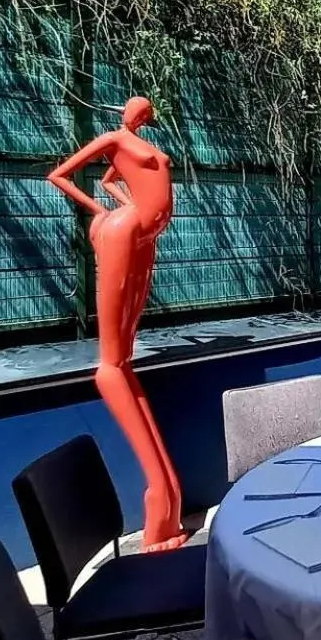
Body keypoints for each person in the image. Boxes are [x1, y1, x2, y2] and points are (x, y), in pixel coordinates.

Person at [48, 97, 186, 551]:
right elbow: (60, 175)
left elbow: (114, 179)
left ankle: (168, 495)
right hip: (125, 233)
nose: (138, 116)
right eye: (135, 110)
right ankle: (157, 489)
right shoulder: (111, 138)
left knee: (125, 358)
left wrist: (123, 201)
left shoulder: (135, 146)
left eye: (145, 113)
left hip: (145, 236)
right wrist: (107, 214)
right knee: (110, 362)